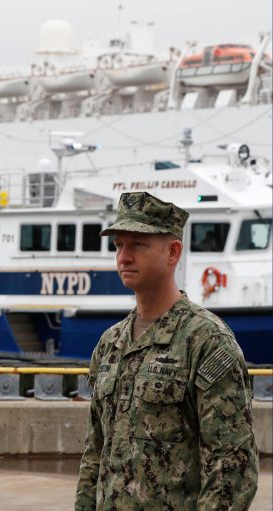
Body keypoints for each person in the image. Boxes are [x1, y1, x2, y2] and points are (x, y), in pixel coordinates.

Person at [75, 191, 258, 510]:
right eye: (119, 245)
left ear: (173, 252)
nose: (124, 257)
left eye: (137, 244)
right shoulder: (110, 344)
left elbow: (232, 467)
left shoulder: (206, 340)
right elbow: (95, 454)